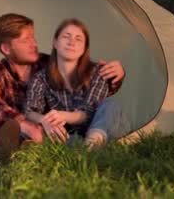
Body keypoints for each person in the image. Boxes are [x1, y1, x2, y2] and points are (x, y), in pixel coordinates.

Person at [0, 14, 125, 156]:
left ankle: (33, 148)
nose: (34, 44)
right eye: (25, 40)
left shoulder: (50, 62)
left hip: (67, 125)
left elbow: (98, 97)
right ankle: (20, 150)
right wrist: (24, 124)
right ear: (6, 49)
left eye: (33, 37)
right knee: (4, 124)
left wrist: (115, 76)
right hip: (41, 130)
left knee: (109, 106)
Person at [25, 18, 129, 148]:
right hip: (73, 133)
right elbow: (29, 111)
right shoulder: (41, 77)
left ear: (84, 48)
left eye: (78, 39)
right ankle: (84, 148)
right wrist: (44, 120)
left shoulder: (98, 71)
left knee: (110, 105)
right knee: (51, 131)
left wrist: (63, 115)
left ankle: (92, 144)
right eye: (66, 36)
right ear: (55, 43)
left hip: (102, 126)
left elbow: (88, 113)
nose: (71, 42)